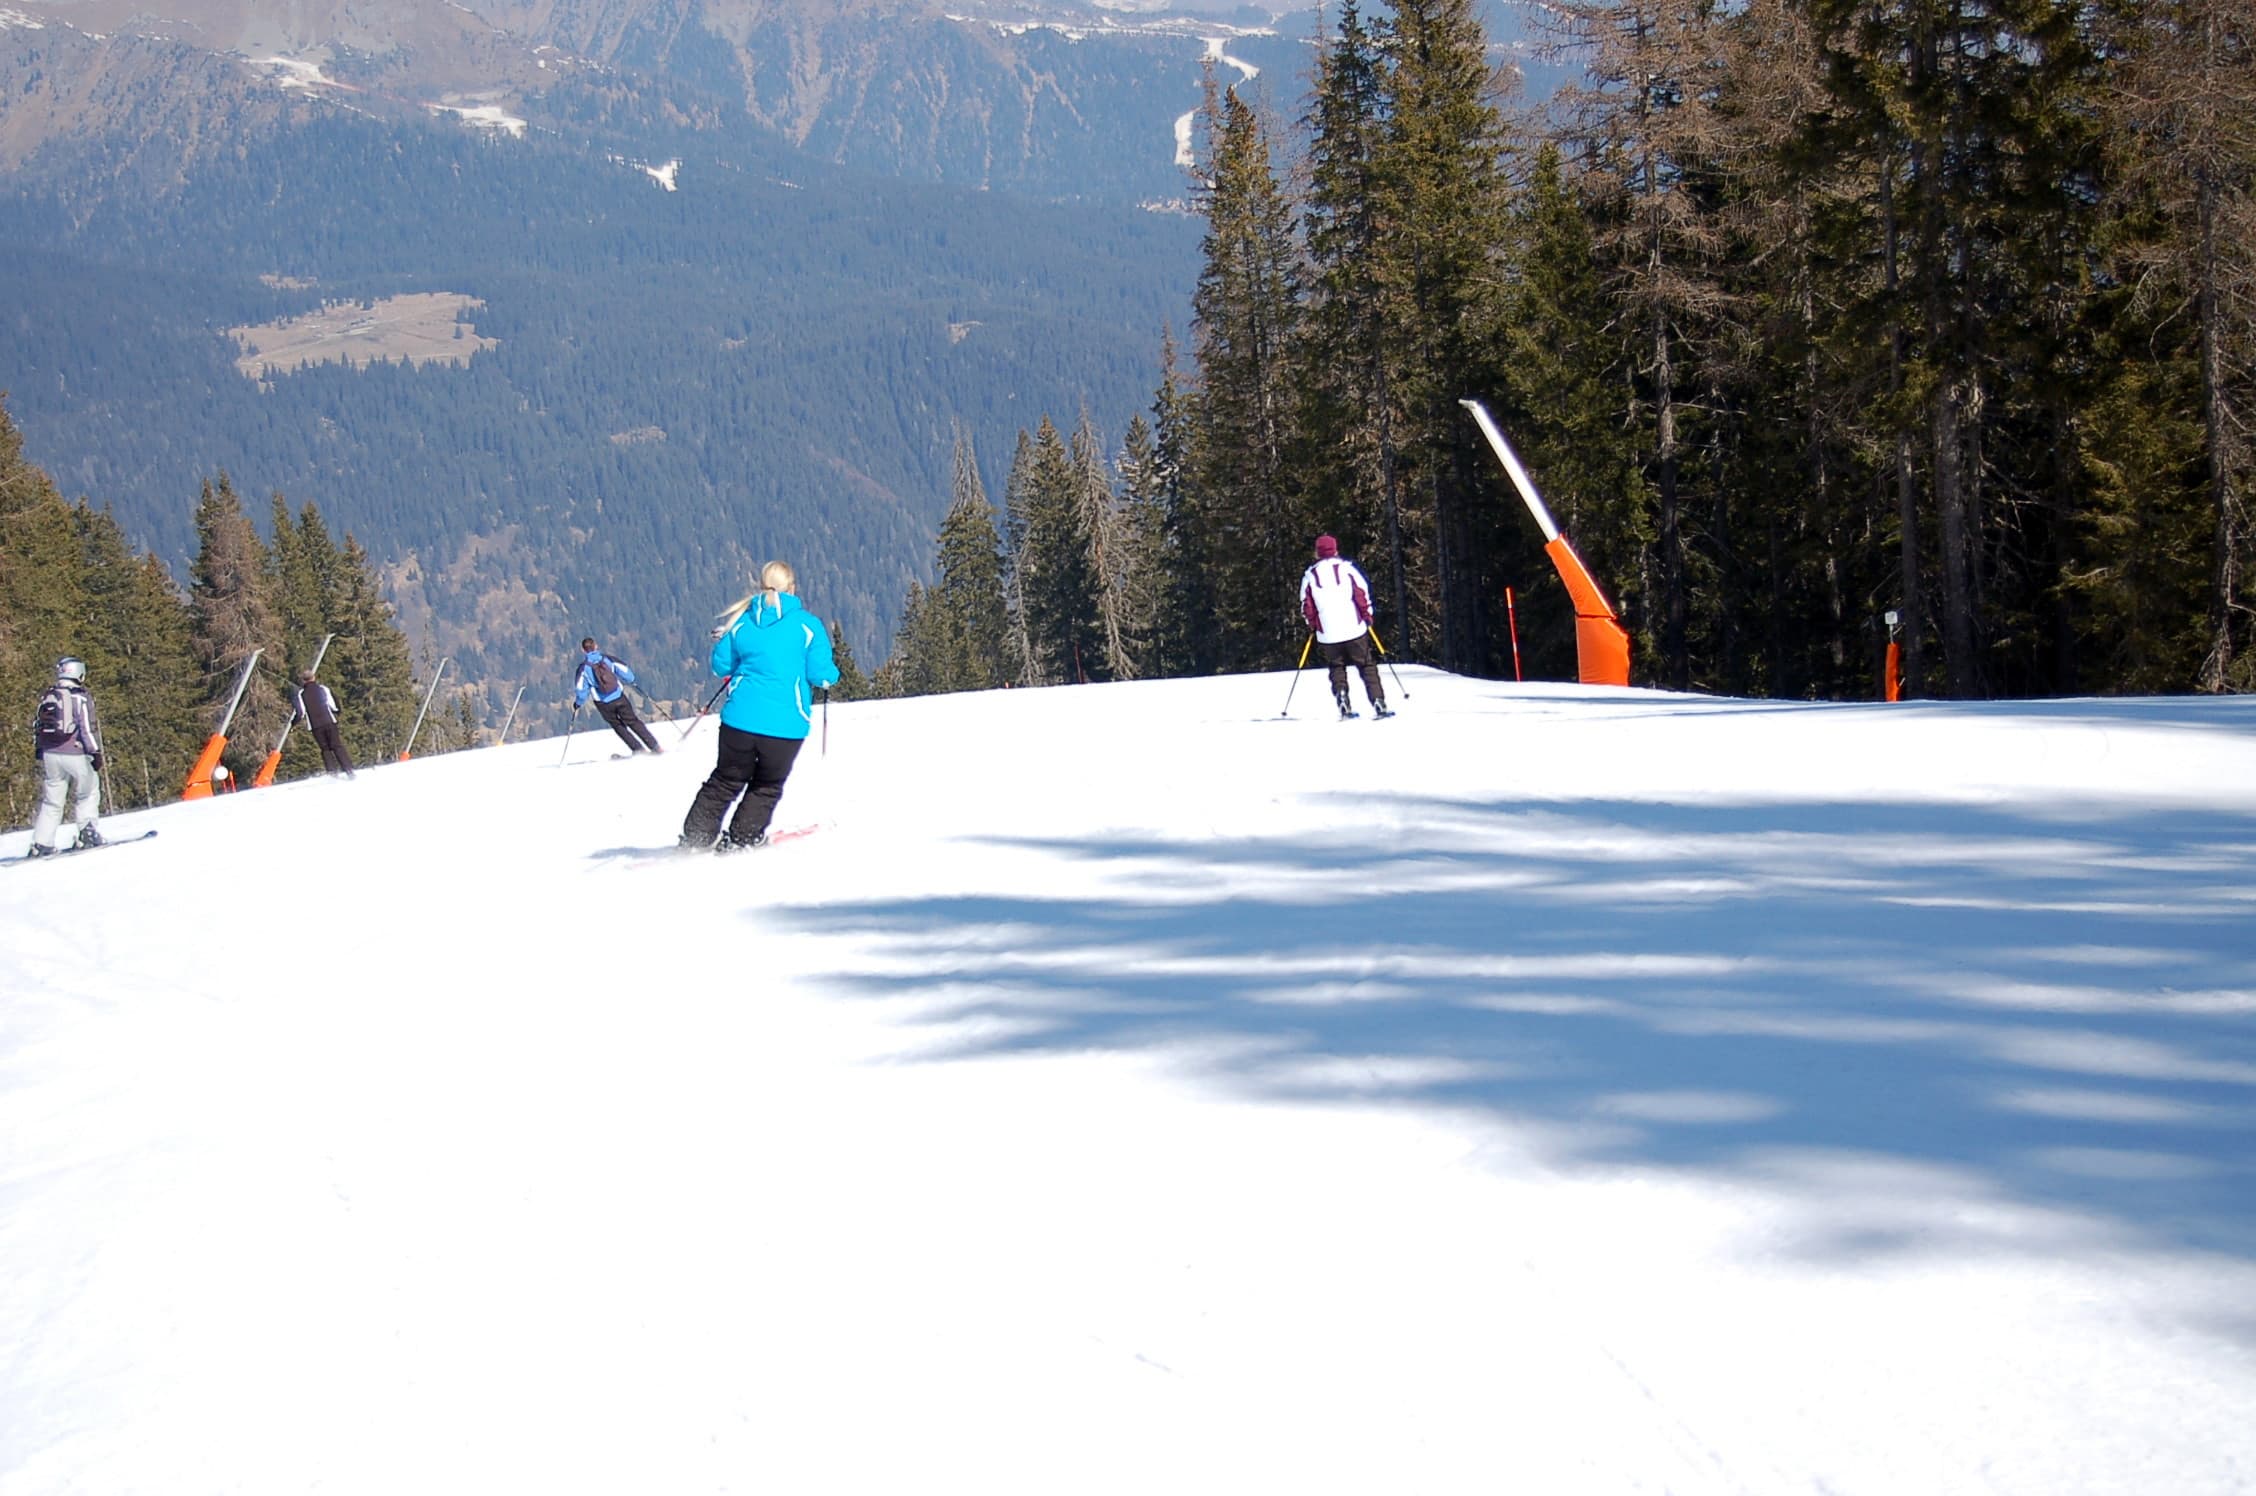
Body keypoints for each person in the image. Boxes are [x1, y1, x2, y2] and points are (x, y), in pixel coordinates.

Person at [680, 560, 839, 852]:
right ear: (792, 588)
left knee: (725, 779)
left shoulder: (741, 621)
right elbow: (821, 674)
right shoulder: (807, 625)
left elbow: (721, 666)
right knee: (766, 784)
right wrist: (830, 676)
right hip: (786, 724)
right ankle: (742, 839)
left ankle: (696, 838)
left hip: (739, 720)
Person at [1300, 533, 1392, 720]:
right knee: (1366, 665)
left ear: (1317, 553)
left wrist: (1313, 624)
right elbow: (1361, 593)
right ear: (1335, 550)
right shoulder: (1347, 570)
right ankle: (1378, 702)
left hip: (1328, 633)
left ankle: (1343, 700)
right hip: (1353, 627)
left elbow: (1306, 606)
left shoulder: (1310, 576)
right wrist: (1367, 616)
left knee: (1336, 667)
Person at [28, 655, 104, 856]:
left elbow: (37, 724)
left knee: (52, 799)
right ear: (79, 672)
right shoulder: (79, 695)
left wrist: (40, 749)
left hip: (49, 754)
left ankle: (41, 842)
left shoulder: (48, 695)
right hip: (74, 752)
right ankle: (88, 832)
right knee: (88, 790)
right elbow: (87, 727)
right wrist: (95, 752)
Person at [573, 637, 661, 754]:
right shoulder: (607, 659)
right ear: (596, 646)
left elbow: (581, 691)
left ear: (583, 650)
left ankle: (638, 750)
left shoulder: (583, 669)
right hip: (618, 696)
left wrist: (577, 704)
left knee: (618, 726)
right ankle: (655, 747)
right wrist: (631, 681)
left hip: (603, 703)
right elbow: (627, 674)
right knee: (633, 721)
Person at [293, 667, 358, 778]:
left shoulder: (301, 694)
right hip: (329, 721)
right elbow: (333, 704)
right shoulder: (322, 688)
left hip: (315, 726)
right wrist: (338, 712)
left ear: (303, 680)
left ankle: (332, 772)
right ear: (314, 677)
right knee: (337, 746)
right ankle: (348, 770)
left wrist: (293, 724)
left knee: (325, 749)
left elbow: (301, 712)